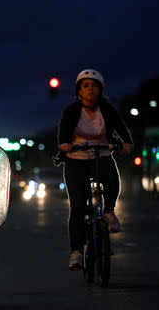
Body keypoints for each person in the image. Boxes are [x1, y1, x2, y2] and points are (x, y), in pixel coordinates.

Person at [56, 69, 133, 270]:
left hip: (102, 155)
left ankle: (108, 211)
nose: (91, 89)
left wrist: (126, 142)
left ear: (101, 89)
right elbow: (64, 130)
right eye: (86, 85)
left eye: (95, 85)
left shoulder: (107, 108)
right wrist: (65, 143)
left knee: (113, 181)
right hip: (76, 159)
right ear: (79, 91)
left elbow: (120, 127)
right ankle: (77, 252)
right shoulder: (72, 110)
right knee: (78, 207)